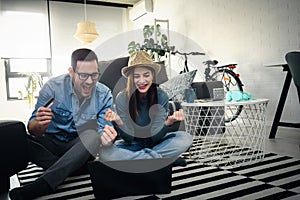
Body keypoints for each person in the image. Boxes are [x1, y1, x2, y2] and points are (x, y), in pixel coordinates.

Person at [9, 48, 117, 200]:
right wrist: (39, 125)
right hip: (50, 143)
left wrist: (107, 137)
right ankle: (72, 167)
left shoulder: (104, 94)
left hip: (78, 146)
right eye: (83, 75)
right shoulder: (52, 87)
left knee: (92, 136)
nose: (89, 81)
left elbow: (103, 128)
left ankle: (43, 184)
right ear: (71, 72)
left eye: (94, 75)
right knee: (19, 138)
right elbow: (32, 128)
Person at [102, 51, 193, 162]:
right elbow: (128, 139)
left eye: (146, 75)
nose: (142, 81)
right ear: (131, 78)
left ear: (152, 76)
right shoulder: (122, 98)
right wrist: (119, 121)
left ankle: (141, 159)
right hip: (132, 145)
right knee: (105, 153)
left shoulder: (161, 96)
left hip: (156, 143)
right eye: (137, 76)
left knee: (185, 138)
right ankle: (161, 160)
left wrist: (169, 121)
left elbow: (155, 137)